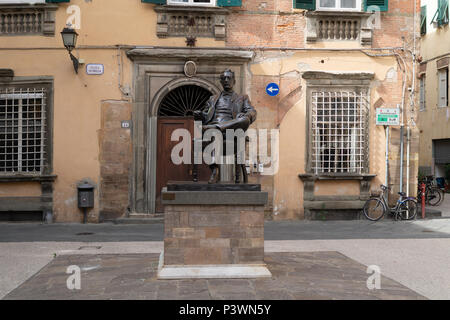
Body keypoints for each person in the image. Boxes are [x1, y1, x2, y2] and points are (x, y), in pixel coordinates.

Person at [194, 69, 257, 184]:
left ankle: (218, 127)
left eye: (229, 78)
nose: (226, 80)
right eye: (224, 79)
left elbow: (253, 113)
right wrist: (199, 115)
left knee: (244, 119)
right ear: (221, 82)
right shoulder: (212, 99)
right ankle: (214, 170)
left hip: (231, 133)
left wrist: (246, 114)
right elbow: (206, 115)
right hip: (212, 130)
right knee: (213, 133)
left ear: (234, 81)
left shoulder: (242, 98)